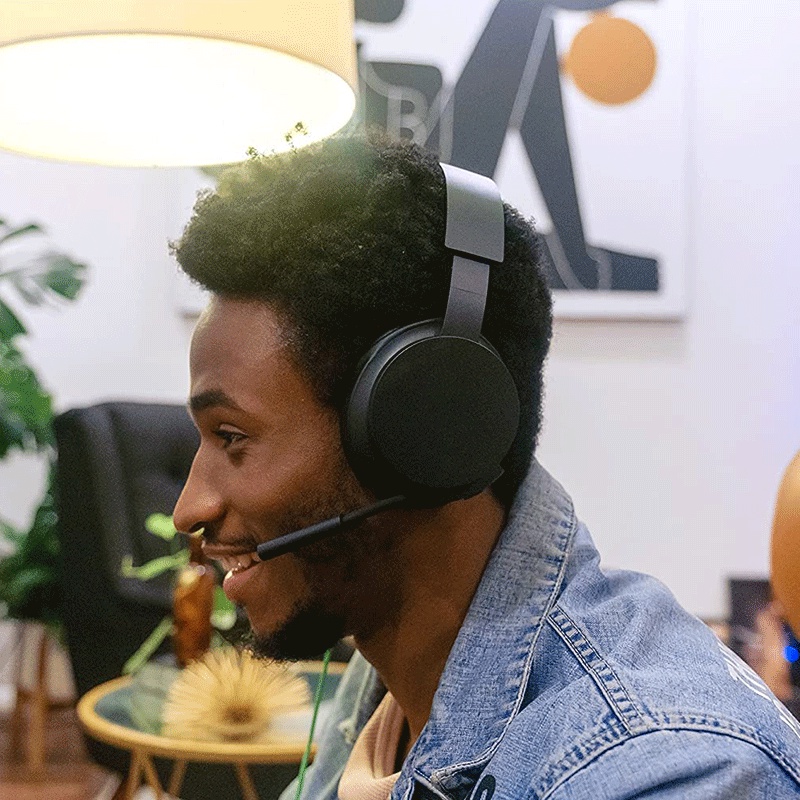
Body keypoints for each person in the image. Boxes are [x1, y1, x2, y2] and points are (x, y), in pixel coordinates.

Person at [171, 134, 800, 799]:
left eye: (232, 437)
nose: (188, 510)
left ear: (426, 433)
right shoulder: (388, 667)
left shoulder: (672, 775)